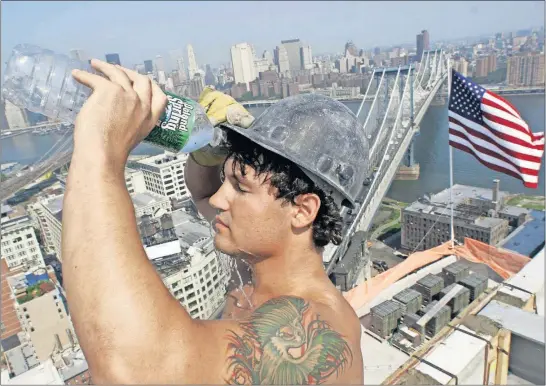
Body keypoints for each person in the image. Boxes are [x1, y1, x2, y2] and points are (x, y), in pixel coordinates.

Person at [62, 59, 368, 384]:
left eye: (240, 187)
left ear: (303, 210)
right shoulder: (259, 261)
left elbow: (135, 371)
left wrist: (101, 153)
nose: (219, 199)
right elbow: (203, 193)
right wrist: (211, 148)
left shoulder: (317, 331)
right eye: (226, 179)